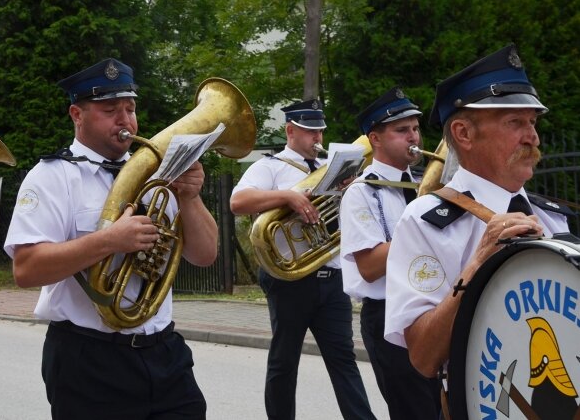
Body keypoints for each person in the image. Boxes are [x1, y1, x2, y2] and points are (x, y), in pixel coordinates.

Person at [4, 58, 217, 420]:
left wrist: (190, 196)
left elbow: (205, 255)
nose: (125, 120)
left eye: (130, 108)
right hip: (90, 360)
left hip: (165, 353)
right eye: (109, 110)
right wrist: (109, 241)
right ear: (77, 114)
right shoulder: (51, 177)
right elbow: (26, 269)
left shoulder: (159, 173)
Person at [384, 44, 573, 379]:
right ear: (464, 134)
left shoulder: (553, 217)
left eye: (532, 122)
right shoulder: (423, 222)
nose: (532, 136)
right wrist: (476, 265)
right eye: (515, 121)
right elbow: (424, 356)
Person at [230, 99, 375, 420]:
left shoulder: (330, 167)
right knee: (285, 361)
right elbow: (238, 201)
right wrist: (287, 196)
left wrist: (352, 190)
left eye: (320, 132)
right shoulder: (270, 166)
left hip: (331, 275)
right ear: (291, 130)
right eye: (310, 132)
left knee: (344, 360)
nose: (317, 139)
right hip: (288, 278)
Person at [339, 87, 441, 418]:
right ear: (376, 139)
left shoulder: (424, 188)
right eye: (401, 130)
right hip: (388, 313)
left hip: (432, 307)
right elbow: (369, 266)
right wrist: (422, 231)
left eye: (415, 128)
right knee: (414, 411)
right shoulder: (362, 192)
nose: (413, 136)